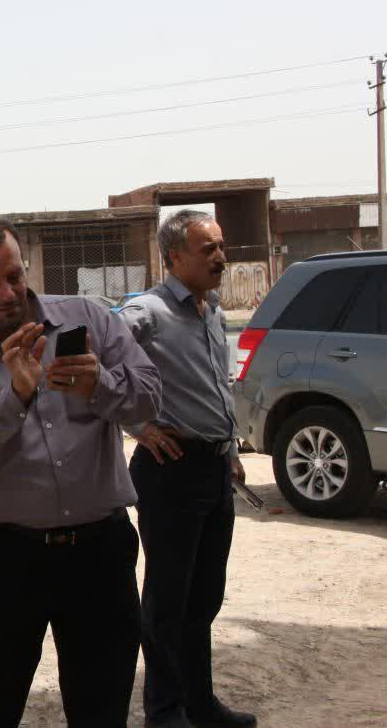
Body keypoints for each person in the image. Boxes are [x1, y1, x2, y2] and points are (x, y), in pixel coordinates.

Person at [0, 218, 162, 728]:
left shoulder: (88, 320)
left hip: (99, 553)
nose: (8, 293)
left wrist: (100, 384)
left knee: (102, 710)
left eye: (14, 276)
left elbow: (149, 396)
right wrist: (15, 397)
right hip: (6, 560)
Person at [118, 210, 256, 728]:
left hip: (214, 471)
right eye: (208, 249)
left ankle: (200, 705)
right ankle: (164, 711)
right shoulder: (147, 312)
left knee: (203, 600)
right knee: (167, 602)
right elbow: (93, 362)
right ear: (174, 257)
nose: (221, 257)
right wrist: (137, 426)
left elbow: (217, 387)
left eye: (221, 246)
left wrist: (231, 453)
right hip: (170, 472)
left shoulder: (211, 309)